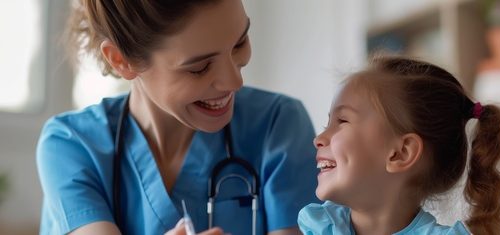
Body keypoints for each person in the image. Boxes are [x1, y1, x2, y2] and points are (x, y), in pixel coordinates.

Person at [36, 0, 318, 234]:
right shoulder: (71, 145)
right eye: (200, 67)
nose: (234, 81)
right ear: (122, 60)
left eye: (239, 43)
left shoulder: (278, 125)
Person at [298, 56, 500, 235]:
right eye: (327, 123)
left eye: (342, 121)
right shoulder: (319, 228)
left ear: (401, 153)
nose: (319, 138)